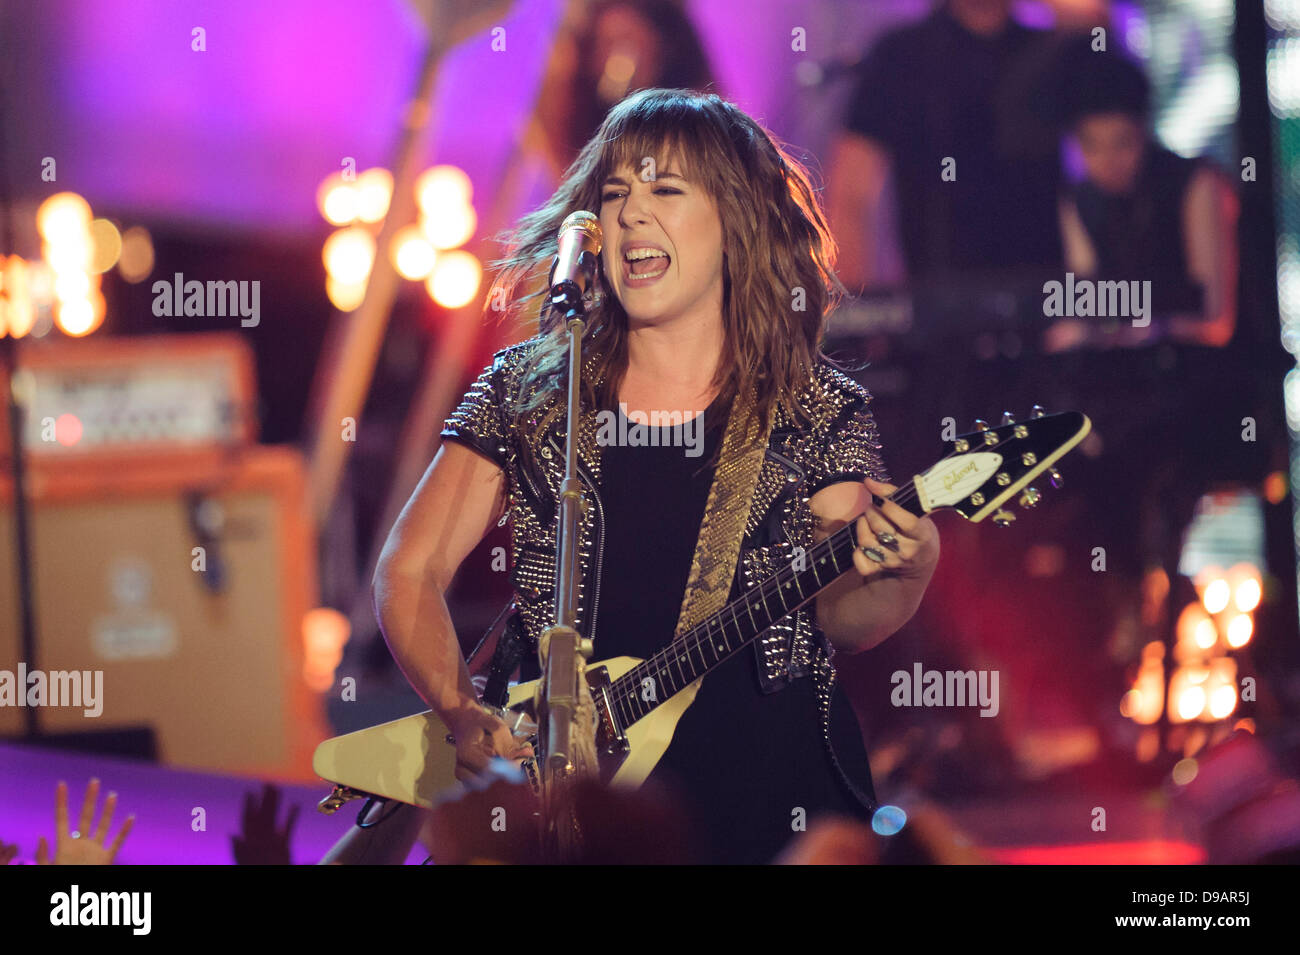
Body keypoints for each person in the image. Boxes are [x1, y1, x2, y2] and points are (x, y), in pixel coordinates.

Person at [374, 88, 940, 864]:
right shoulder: (532, 389)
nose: (632, 213)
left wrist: (907, 573)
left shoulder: (813, 404)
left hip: (762, 804)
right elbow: (410, 569)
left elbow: (845, 616)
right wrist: (459, 710)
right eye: (615, 194)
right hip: (572, 811)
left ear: (736, 220)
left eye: (665, 189)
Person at [827, 0, 1066, 291]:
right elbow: (852, 194)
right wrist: (856, 311)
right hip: (934, 304)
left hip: (1045, 297)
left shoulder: (1052, 49)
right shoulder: (902, 54)